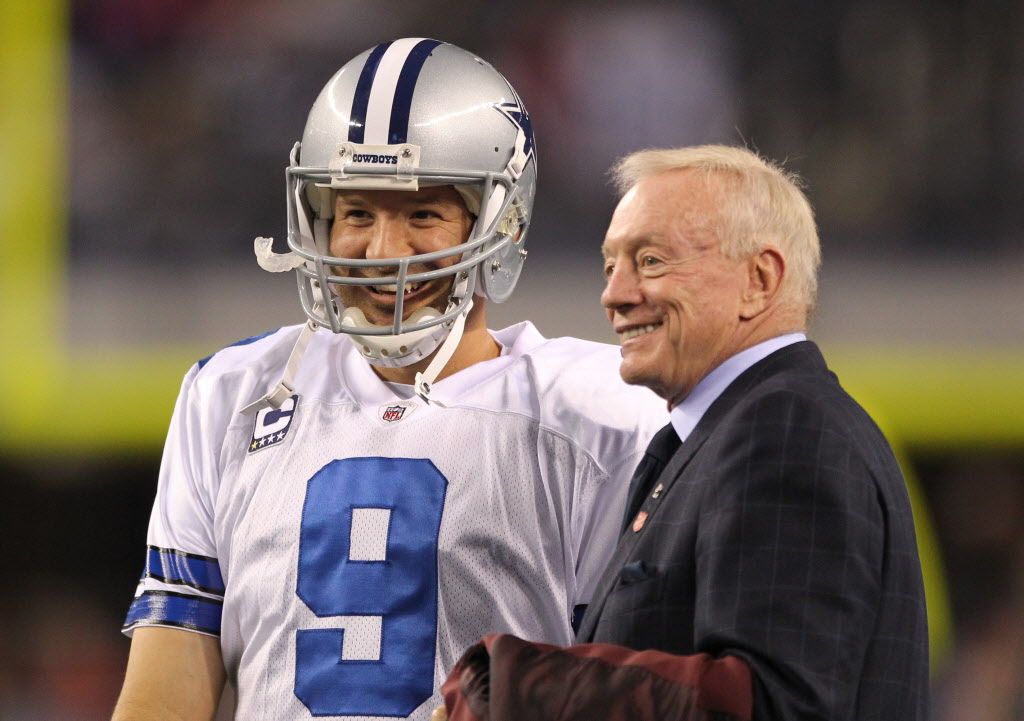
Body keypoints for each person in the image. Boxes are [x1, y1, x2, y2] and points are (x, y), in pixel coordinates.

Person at [110, 39, 667, 721]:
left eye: (421, 214)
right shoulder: (232, 393)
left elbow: (625, 692)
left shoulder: (598, 412)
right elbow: (166, 686)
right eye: (357, 213)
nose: (382, 251)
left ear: (502, 221)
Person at [437, 145, 929, 721]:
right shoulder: (724, 435)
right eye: (610, 266)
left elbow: (775, 705)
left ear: (760, 279)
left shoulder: (784, 430)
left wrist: (523, 690)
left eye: (649, 261)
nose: (614, 295)